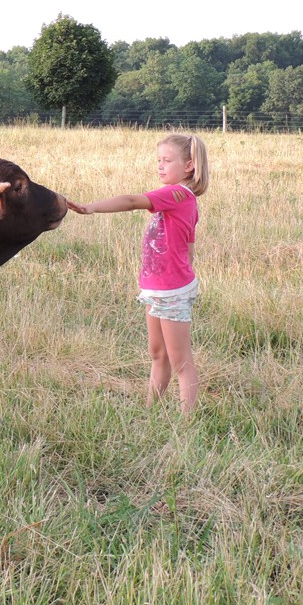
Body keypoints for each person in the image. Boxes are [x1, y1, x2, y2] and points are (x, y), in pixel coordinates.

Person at [67, 134, 210, 414]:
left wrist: (91, 208)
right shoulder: (179, 198)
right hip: (157, 288)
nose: (160, 166)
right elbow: (189, 248)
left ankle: (187, 422)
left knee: (181, 362)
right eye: (158, 160)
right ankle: (150, 412)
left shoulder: (177, 194)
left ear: (189, 165)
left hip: (170, 290)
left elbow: (133, 201)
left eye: (167, 161)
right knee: (158, 354)